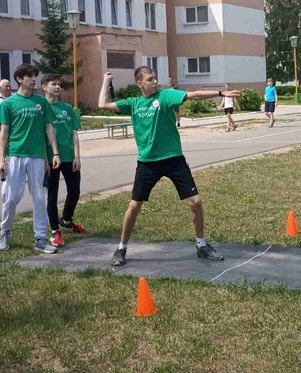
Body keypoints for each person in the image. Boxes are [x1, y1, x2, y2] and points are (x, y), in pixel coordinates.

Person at [98, 67, 241, 267]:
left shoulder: (165, 96)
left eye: (155, 78)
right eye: (150, 79)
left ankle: (201, 245)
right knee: (134, 205)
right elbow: (102, 104)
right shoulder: (133, 103)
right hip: (147, 163)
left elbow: (192, 95)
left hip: (173, 159)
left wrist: (219, 93)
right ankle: (121, 248)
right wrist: (106, 81)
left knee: (196, 202)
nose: (155, 82)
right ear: (140, 83)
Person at [0, 64, 60, 253]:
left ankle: (40, 238)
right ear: (19, 79)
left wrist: (53, 154)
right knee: (10, 197)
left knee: (39, 197)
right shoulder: (8, 103)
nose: (33, 80)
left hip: (37, 157)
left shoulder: (42, 102)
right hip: (15, 156)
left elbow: (48, 128)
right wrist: (1, 160)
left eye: (34, 76)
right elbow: (4, 133)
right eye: (30, 77)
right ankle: (5, 232)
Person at [42, 74, 86, 247]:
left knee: (74, 191)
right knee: (52, 195)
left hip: (69, 157)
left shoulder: (67, 108)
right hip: (52, 159)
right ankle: (55, 230)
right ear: (45, 87)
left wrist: (77, 156)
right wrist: (46, 159)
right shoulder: (42, 109)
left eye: (59, 84)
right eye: (54, 84)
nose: (58, 87)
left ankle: (66, 220)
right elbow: (40, 136)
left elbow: (74, 133)